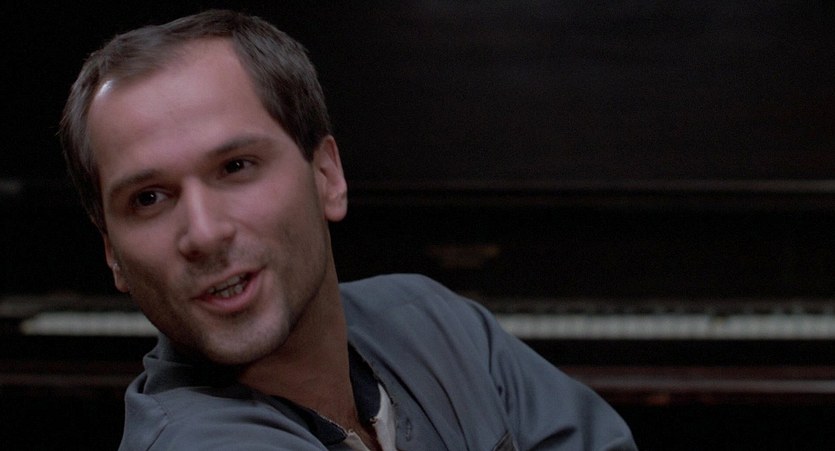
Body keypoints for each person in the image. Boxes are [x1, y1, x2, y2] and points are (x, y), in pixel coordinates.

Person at [60, 9, 637, 451]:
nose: (204, 234)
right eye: (148, 199)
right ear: (112, 254)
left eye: (236, 167)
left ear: (327, 176)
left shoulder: (433, 318)